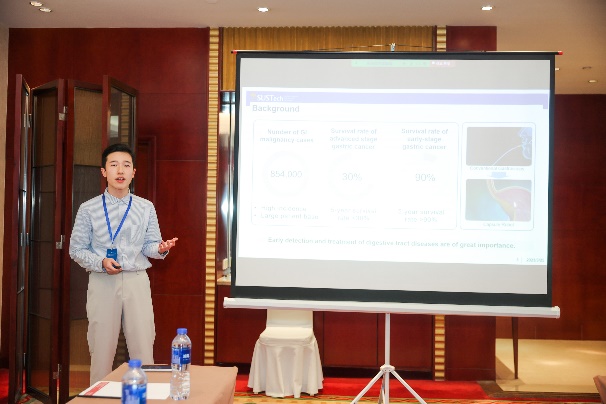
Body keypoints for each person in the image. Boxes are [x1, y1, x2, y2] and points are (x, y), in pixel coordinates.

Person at [69, 143, 178, 384]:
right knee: (101, 349)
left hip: (136, 280)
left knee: (143, 346)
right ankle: (98, 398)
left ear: (133, 172)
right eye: (114, 165)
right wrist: (101, 261)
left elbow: (149, 245)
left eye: (126, 165)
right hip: (102, 281)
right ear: (104, 171)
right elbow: (75, 249)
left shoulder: (145, 207)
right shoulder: (88, 209)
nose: (120, 170)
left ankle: (143, 396)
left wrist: (160, 249)